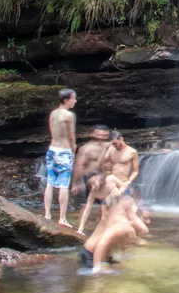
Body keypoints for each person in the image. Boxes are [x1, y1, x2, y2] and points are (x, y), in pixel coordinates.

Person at [83, 190, 149, 274]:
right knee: (104, 279)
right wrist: (97, 268)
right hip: (92, 255)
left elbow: (143, 230)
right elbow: (101, 244)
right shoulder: (120, 224)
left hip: (102, 255)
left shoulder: (116, 218)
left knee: (125, 272)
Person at [43, 88, 77, 227]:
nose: (75, 101)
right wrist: (74, 146)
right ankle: (62, 218)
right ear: (66, 100)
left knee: (50, 183)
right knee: (63, 185)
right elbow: (71, 134)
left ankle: (47, 214)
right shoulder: (69, 115)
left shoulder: (53, 113)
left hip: (52, 149)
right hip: (64, 151)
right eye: (73, 98)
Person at [76, 171, 124, 236]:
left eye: (94, 182)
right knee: (103, 215)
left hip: (122, 202)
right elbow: (87, 210)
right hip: (108, 206)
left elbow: (125, 185)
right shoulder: (93, 193)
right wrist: (80, 229)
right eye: (91, 184)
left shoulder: (110, 179)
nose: (94, 185)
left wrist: (119, 192)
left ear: (99, 178)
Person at [71, 125, 112, 199]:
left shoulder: (111, 147)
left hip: (107, 178)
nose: (102, 137)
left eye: (105, 135)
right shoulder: (86, 149)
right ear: (92, 134)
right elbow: (79, 166)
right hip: (90, 178)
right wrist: (75, 183)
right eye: (100, 135)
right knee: (86, 205)